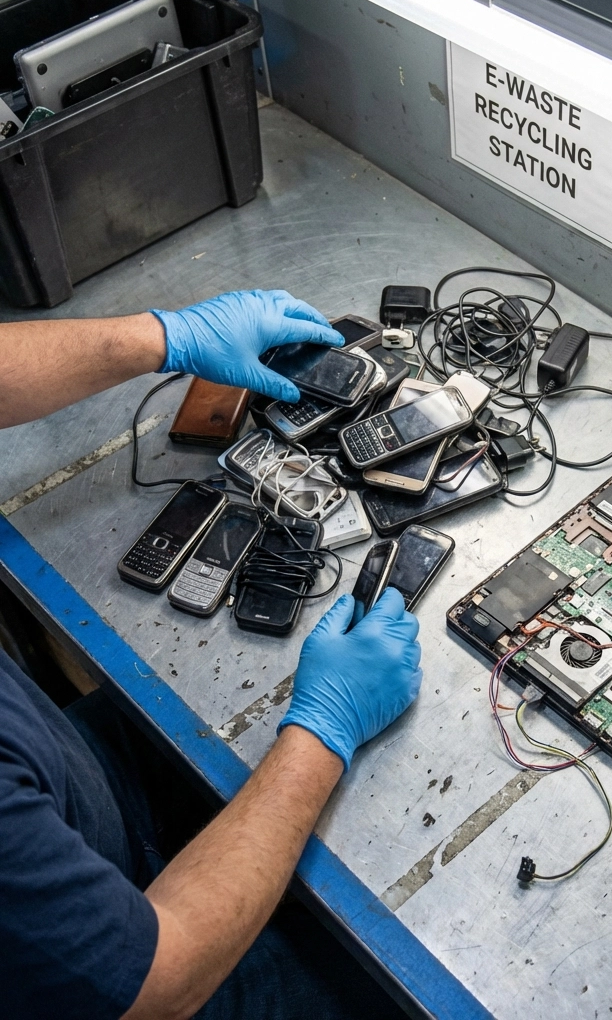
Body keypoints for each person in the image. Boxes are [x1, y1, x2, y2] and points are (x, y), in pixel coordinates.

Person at [0, 291, 424, 1019]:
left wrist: (159, 335)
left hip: (67, 797)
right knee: (386, 984)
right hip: (146, 982)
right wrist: (324, 732)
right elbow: (157, 981)